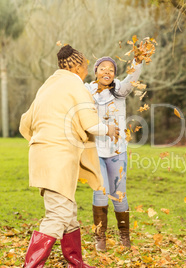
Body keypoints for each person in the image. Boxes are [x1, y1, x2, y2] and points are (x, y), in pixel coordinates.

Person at [19, 45, 119, 267]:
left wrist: (41, 143)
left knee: (68, 211)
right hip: (59, 157)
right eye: (85, 66)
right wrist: (109, 129)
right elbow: (90, 123)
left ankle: (76, 262)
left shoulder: (47, 86)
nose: (86, 71)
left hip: (42, 155)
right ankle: (30, 265)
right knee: (57, 215)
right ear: (77, 67)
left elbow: (25, 123)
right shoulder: (76, 86)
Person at [84, 56, 143, 251]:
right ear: (96, 72)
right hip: (95, 150)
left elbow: (132, 78)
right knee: (100, 193)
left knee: (119, 194)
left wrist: (138, 60)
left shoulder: (120, 91)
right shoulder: (87, 90)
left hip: (117, 151)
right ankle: (100, 237)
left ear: (115, 74)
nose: (107, 72)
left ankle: (124, 235)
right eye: (102, 68)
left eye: (111, 69)